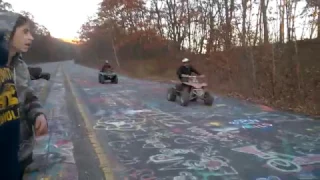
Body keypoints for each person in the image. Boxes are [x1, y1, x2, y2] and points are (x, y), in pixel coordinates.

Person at [1, 11, 49, 179]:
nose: (31, 37)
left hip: (21, 156)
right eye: (25, 31)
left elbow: (27, 95)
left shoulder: (20, 66)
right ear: (8, 33)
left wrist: (37, 114)